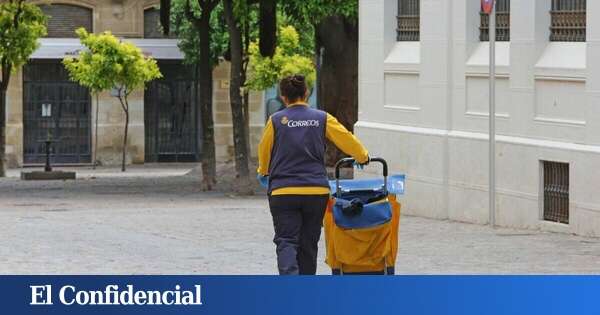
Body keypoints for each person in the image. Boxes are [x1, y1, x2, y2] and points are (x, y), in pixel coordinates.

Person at [257, 74, 370, 275]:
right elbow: (345, 138)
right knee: (309, 243)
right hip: (315, 191)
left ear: (283, 97)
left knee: (286, 240)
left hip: (283, 191)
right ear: (306, 93)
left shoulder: (275, 121)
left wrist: (264, 172)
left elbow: (264, 150)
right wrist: (362, 157)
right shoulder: (322, 118)